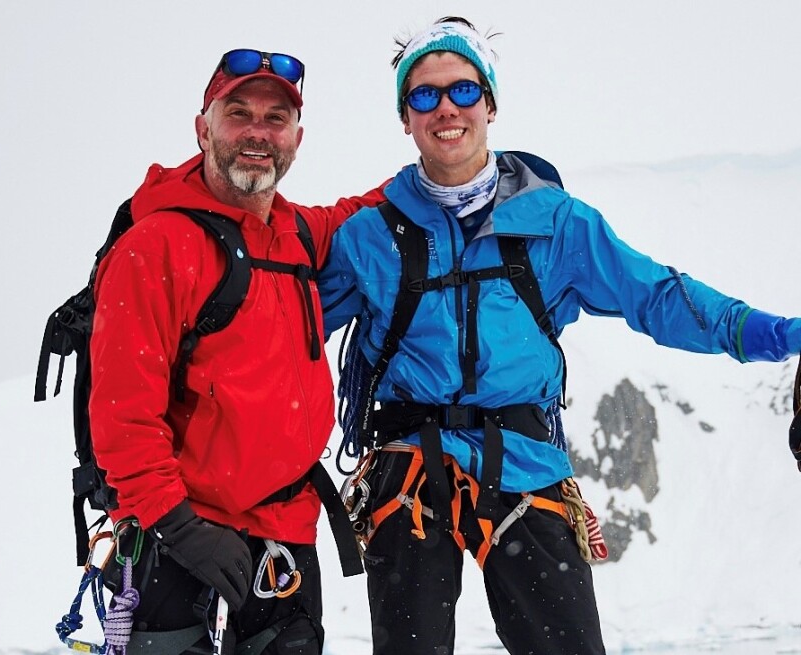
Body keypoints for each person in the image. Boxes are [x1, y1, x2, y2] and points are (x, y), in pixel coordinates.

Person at [318, 17, 801, 655]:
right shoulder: (368, 236)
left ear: (489, 103)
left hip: (524, 464)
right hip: (410, 473)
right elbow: (282, 327)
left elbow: (656, 297)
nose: (445, 109)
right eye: (424, 95)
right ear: (404, 117)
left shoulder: (558, 225)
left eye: (462, 90)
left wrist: (777, 336)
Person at [88, 48, 384, 654]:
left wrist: (469, 164)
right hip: (177, 533)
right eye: (239, 113)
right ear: (203, 127)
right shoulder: (156, 246)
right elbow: (122, 415)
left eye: (276, 119)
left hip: (284, 537)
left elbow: (368, 209)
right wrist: (179, 527)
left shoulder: (299, 233)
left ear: (297, 138)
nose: (258, 132)